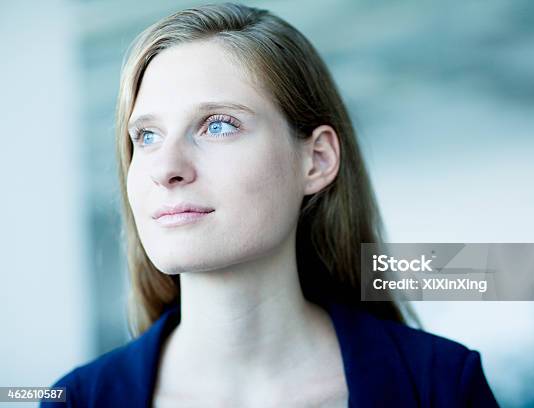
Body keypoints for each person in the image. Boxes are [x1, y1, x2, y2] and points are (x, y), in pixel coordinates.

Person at [44, 3, 499, 407]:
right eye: (146, 136)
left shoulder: (440, 386)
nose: (166, 168)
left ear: (316, 160)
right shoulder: (78, 401)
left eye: (217, 125)